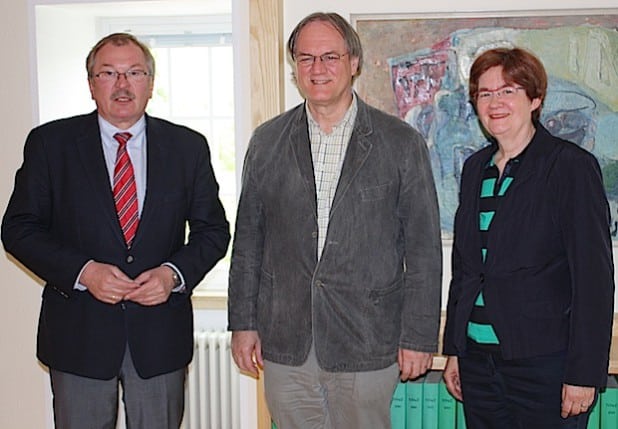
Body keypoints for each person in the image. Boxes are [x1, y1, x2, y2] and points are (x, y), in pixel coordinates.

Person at [1, 33, 230, 429]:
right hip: (78, 339)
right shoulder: (50, 144)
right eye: (109, 73)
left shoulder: (188, 147)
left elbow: (213, 231)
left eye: (134, 72)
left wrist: (172, 275)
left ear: (151, 83)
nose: (122, 84)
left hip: (160, 339)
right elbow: (18, 229)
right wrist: (84, 272)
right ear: (91, 84)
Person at [228, 11, 442, 429]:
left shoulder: (401, 143)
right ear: (294, 68)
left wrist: (418, 339)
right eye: (305, 58)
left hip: (367, 339)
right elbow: (248, 242)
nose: (317, 68)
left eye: (329, 56)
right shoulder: (267, 142)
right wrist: (242, 323)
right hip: (286, 341)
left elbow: (423, 251)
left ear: (354, 62)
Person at [442, 47, 615, 428]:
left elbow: (593, 278)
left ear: (535, 99)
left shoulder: (570, 167)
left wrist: (584, 373)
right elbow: (467, 267)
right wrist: (456, 350)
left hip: (545, 365)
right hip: (478, 364)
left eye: (508, 91)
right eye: (485, 93)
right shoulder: (475, 169)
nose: (495, 102)